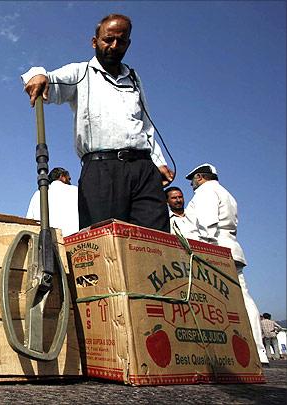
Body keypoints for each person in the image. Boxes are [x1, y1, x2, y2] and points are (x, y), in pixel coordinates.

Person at [21, 14, 174, 232]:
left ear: (128, 44)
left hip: (143, 168)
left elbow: (144, 124)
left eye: (121, 41)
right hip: (102, 168)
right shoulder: (80, 73)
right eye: (108, 39)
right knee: (104, 239)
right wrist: (37, 75)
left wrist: (158, 161)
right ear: (95, 42)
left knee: (155, 239)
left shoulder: (133, 78)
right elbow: (47, 81)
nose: (114, 46)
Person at [183, 163, 269, 365]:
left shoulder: (206, 192)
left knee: (211, 300)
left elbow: (207, 223)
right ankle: (258, 350)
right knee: (243, 297)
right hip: (232, 247)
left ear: (200, 177)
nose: (192, 184)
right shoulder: (227, 194)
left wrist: (207, 251)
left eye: (193, 180)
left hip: (215, 249)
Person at [26, 167, 79, 237]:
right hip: (75, 242)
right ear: (62, 177)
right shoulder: (76, 190)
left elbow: (28, 223)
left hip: (45, 243)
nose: (70, 182)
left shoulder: (38, 194)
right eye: (69, 179)